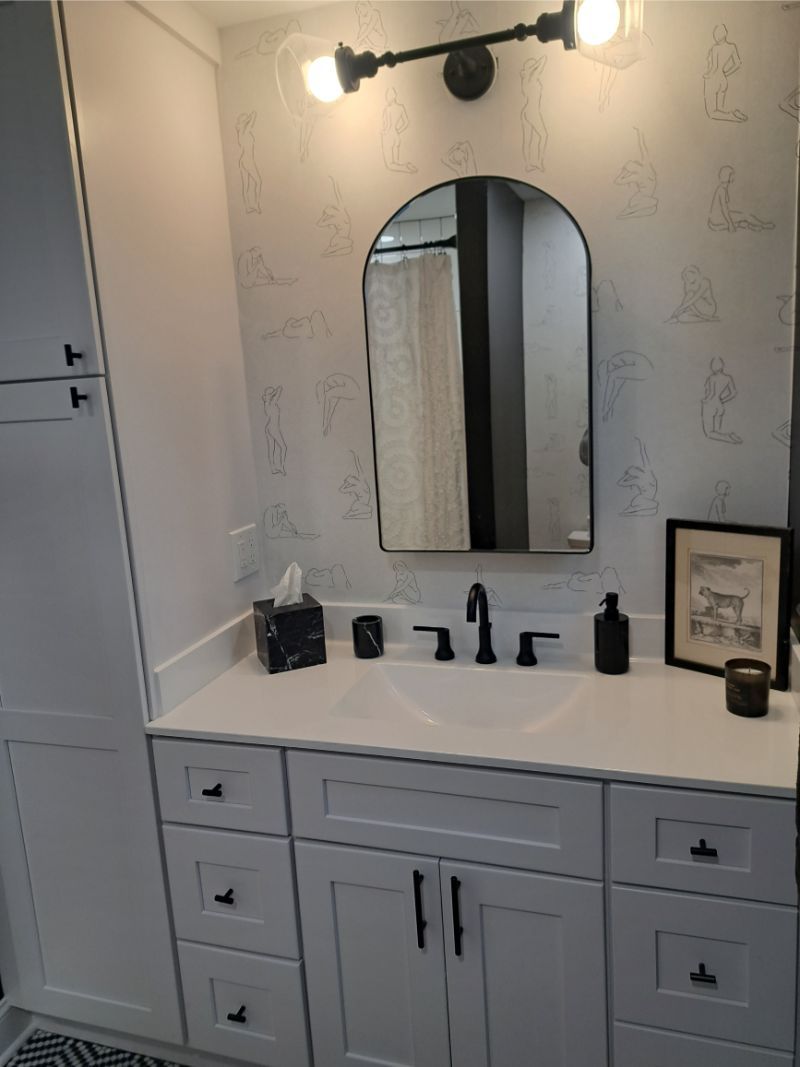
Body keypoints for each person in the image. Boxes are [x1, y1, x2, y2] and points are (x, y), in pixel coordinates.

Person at [708, 166, 774, 232]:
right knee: (745, 216)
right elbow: (724, 208)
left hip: (719, 217)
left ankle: (755, 225)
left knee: (743, 216)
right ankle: (763, 225)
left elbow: (726, 208)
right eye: (731, 175)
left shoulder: (723, 188)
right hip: (717, 220)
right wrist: (730, 224)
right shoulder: (722, 190)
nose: (733, 177)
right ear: (727, 176)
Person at [703, 25, 747, 121]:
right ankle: (732, 112)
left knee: (712, 113)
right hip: (723, 80)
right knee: (720, 109)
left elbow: (714, 67)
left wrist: (706, 76)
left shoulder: (716, 48)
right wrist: (726, 73)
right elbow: (737, 63)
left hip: (713, 80)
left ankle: (732, 116)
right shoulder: (732, 47)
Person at [615, 127, 658, 218]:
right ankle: (629, 213)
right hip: (644, 195)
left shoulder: (637, 175)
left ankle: (628, 213)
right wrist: (640, 132)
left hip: (644, 196)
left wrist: (624, 172)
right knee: (633, 203)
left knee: (633, 203)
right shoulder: (646, 167)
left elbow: (618, 181)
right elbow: (643, 147)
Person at [701, 357, 742, 443]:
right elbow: (733, 393)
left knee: (709, 433)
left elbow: (712, 393)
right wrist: (722, 400)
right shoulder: (728, 378)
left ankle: (729, 438)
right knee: (717, 431)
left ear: (712, 367)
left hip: (710, 405)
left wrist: (705, 400)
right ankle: (729, 435)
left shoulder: (712, 378)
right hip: (719, 405)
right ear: (722, 366)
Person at [520, 56, 548, 172]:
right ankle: (540, 162)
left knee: (528, 139)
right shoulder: (531, 79)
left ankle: (528, 164)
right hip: (532, 111)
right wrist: (534, 66)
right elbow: (544, 60)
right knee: (544, 135)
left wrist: (531, 67)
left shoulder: (528, 80)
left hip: (527, 111)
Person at [235, 112, 261, 214]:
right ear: (244, 122)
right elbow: (254, 114)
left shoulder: (241, 132)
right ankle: (257, 204)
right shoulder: (245, 131)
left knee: (246, 186)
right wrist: (248, 118)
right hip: (248, 160)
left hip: (243, 160)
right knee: (258, 182)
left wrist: (246, 119)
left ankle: (247, 207)